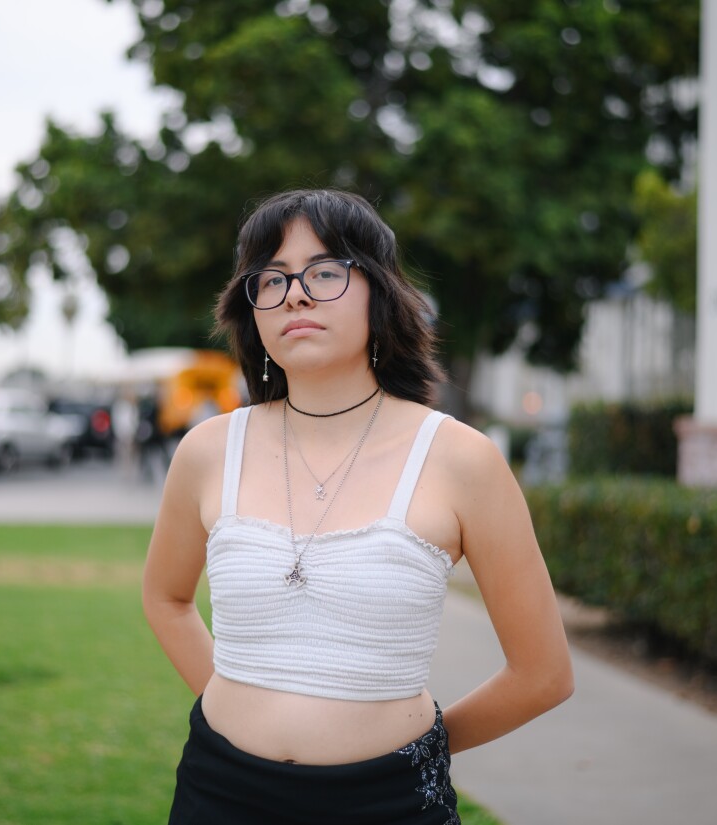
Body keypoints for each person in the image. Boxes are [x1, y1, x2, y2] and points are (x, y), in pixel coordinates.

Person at [142, 189, 574, 824]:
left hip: (388, 803)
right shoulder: (208, 449)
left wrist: (419, 750)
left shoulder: (460, 459)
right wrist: (234, 700)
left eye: (323, 272)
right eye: (271, 278)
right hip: (220, 792)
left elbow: (544, 673)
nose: (295, 293)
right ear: (251, 309)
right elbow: (165, 598)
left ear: (379, 293)